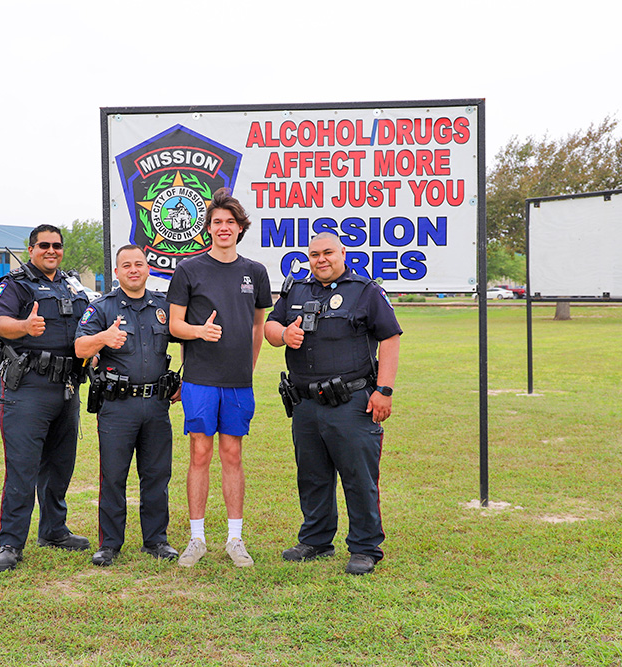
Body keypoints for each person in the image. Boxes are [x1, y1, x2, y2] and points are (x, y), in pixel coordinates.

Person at [264, 230, 402, 575]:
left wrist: (383, 390)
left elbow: (390, 338)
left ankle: (365, 547)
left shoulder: (366, 292)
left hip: (352, 401)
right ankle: (315, 540)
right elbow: (270, 327)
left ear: (342, 253)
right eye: (314, 255)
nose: (321, 260)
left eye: (327, 253)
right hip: (305, 403)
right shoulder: (295, 289)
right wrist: (283, 335)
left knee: (358, 476)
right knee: (312, 476)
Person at [166, 188, 272, 568]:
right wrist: (199, 332)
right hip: (200, 380)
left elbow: (259, 325)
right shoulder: (189, 269)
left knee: (232, 454)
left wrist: (250, 365)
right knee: (200, 453)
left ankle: (235, 538)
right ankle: (196, 539)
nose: (223, 228)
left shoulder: (255, 272)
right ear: (208, 228)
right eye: (217, 222)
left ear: (240, 228)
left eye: (230, 222)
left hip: (238, 382)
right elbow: (175, 325)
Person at [0, 224, 93, 571]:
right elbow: (1, 322)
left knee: (60, 465)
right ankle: (10, 543)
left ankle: (53, 530)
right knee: (23, 468)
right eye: (44, 245)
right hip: (27, 388)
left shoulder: (73, 285)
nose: (51, 250)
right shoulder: (15, 284)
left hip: (66, 387)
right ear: (31, 248)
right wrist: (24, 327)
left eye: (57, 246)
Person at [74, 245, 181, 567]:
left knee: (156, 475)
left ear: (147, 269)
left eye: (139, 264)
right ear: (117, 272)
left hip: (156, 405)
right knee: (114, 475)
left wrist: (185, 382)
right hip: (117, 408)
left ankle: (156, 540)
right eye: (126, 265)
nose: (133, 270)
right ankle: (110, 544)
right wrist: (103, 339)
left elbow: (191, 339)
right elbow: (80, 347)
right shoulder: (103, 308)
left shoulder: (164, 306)